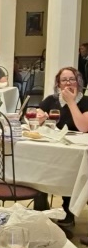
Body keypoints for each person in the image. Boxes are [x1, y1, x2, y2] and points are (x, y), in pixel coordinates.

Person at [36, 66, 88, 229]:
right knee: (39, 166)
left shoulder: (85, 101)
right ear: (58, 84)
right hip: (53, 147)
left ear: (78, 83)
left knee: (70, 169)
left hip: (75, 150)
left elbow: (83, 127)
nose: (68, 83)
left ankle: (68, 212)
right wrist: (40, 117)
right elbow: (35, 114)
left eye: (72, 79)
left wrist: (71, 102)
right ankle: (41, 207)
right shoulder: (51, 100)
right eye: (64, 80)